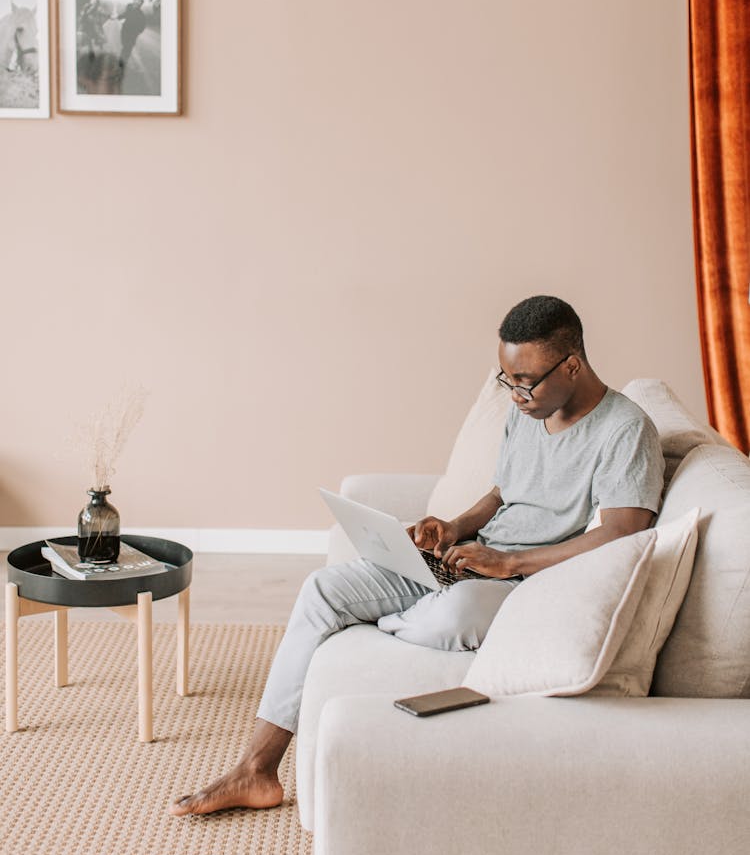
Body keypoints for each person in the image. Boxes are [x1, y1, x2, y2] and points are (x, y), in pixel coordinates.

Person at [170, 295, 664, 817]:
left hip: (525, 584)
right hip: (470, 560)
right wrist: (453, 526)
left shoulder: (626, 430)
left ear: (572, 364)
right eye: (507, 380)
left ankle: (386, 616)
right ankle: (256, 770)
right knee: (323, 590)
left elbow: (621, 533)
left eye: (525, 381)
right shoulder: (528, 414)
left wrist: (509, 563)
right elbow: (503, 493)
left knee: (456, 612)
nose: (515, 395)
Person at [117, 0, 147, 67]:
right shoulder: (129, 8)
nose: (137, 2)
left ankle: (122, 63)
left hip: (132, 35)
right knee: (125, 47)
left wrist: (136, 32)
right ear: (133, 0)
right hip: (124, 32)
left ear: (141, 3)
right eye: (136, 0)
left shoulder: (141, 14)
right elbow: (124, 15)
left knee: (127, 48)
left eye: (139, 1)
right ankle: (123, 61)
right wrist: (117, 17)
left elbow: (142, 26)